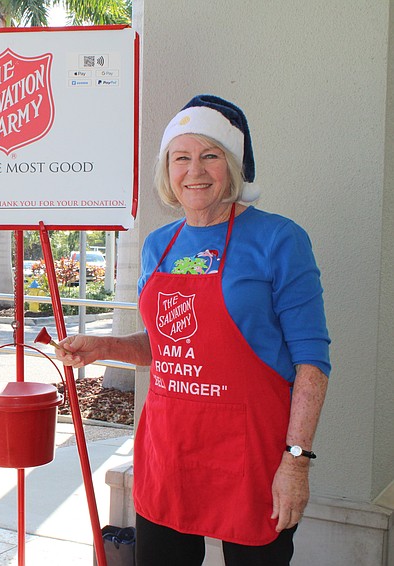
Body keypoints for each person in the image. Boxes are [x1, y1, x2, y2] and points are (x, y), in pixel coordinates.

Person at [55, 95, 330, 566]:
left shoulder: (280, 239)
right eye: (181, 157)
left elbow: (312, 363)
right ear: (167, 170)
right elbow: (166, 344)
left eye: (210, 155)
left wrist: (296, 462)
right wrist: (103, 345)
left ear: (234, 166)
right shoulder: (159, 244)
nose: (194, 170)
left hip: (250, 457)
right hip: (169, 453)